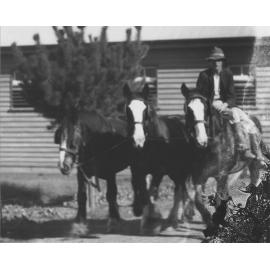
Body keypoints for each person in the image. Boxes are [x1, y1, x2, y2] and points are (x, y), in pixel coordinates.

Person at [196, 46, 265, 169]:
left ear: (222, 62)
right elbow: (200, 95)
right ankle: (242, 146)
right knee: (234, 115)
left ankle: (257, 153)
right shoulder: (203, 75)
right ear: (210, 63)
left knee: (246, 119)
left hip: (225, 105)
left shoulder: (227, 74)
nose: (216, 64)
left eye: (218, 61)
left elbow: (232, 95)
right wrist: (211, 104)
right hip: (209, 105)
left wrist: (225, 104)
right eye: (213, 61)